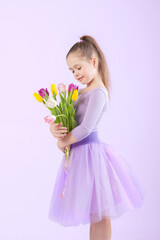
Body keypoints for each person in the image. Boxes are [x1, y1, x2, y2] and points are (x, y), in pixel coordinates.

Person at [48, 35, 144, 240]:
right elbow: (68, 121)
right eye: (71, 70)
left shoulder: (99, 92)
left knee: (101, 213)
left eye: (78, 67)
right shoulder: (80, 93)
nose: (75, 74)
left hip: (93, 158)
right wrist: (55, 130)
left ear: (93, 62)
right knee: (94, 212)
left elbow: (85, 128)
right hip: (80, 158)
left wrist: (63, 142)